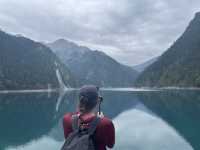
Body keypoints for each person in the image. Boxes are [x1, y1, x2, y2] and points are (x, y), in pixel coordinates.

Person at [63, 85, 115, 150]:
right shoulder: (106, 123)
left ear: (80, 100)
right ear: (97, 102)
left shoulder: (67, 119)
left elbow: (69, 139)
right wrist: (99, 119)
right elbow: (110, 145)